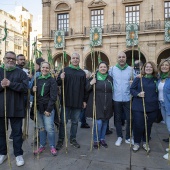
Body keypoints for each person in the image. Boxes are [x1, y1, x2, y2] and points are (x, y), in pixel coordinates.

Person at [0, 51, 28, 166]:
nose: (10, 60)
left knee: (17, 133)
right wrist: (1, 85)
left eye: (13, 58)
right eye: (8, 58)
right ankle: (3, 153)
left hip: (16, 107)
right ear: (4, 59)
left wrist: (10, 84)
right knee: (1, 132)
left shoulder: (21, 73)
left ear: (15, 61)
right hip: (1, 107)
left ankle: (18, 154)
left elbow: (25, 88)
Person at [56, 52, 86, 150]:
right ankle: (61, 139)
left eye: (77, 58)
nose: (75, 60)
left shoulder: (82, 73)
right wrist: (60, 78)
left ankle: (73, 138)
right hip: (66, 100)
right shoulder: (64, 70)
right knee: (63, 122)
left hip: (77, 101)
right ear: (71, 59)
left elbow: (84, 88)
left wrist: (84, 100)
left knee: (75, 122)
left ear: (79, 60)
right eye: (74, 58)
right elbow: (57, 83)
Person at [130, 61, 159, 152]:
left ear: (153, 68)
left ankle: (145, 142)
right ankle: (137, 142)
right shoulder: (139, 78)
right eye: (147, 67)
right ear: (144, 68)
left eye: (150, 67)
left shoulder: (157, 79)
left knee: (148, 126)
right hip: (139, 106)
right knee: (138, 125)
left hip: (152, 107)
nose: (148, 68)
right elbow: (132, 89)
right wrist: (138, 94)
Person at [85, 62, 113, 148]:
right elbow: (86, 89)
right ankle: (96, 140)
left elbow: (112, 90)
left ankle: (102, 139)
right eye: (101, 67)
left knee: (105, 122)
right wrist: (91, 83)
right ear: (98, 68)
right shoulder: (94, 77)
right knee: (99, 123)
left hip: (107, 103)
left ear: (107, 68)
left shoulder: (110, 78)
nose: (103, 68)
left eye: (104, 67)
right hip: (97, 103)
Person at [32, 62, 58, 156]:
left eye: (47, 68)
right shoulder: (37, 79)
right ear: (40, 68)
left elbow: (53, 96)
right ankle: (42, 145)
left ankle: (52, 146)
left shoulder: (52, 80)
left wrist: (49, 109)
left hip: (48, 108)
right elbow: (32, 93)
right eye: (43, 67)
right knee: (41, 128)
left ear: (49, 69)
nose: (45, 69)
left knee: (49, 128)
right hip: (38, 107)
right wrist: (32, 90)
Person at [109, 51, 133, 146]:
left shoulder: (130, 69)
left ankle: (128, 137)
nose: (121, 58)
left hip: (128, 98)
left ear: (126, 58)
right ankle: (119, 136)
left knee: (130, 118)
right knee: (117, 119)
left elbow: (135, 82)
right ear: (117, 58)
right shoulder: (112, 69)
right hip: (116, 98)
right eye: (119, 57)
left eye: (123, 57)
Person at [157, 59, 170, 160]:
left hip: (169, 106)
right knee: (168, 126)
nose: (164, 66)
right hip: (162, 105)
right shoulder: (160, 79)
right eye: (162, 65)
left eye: (167, 65)